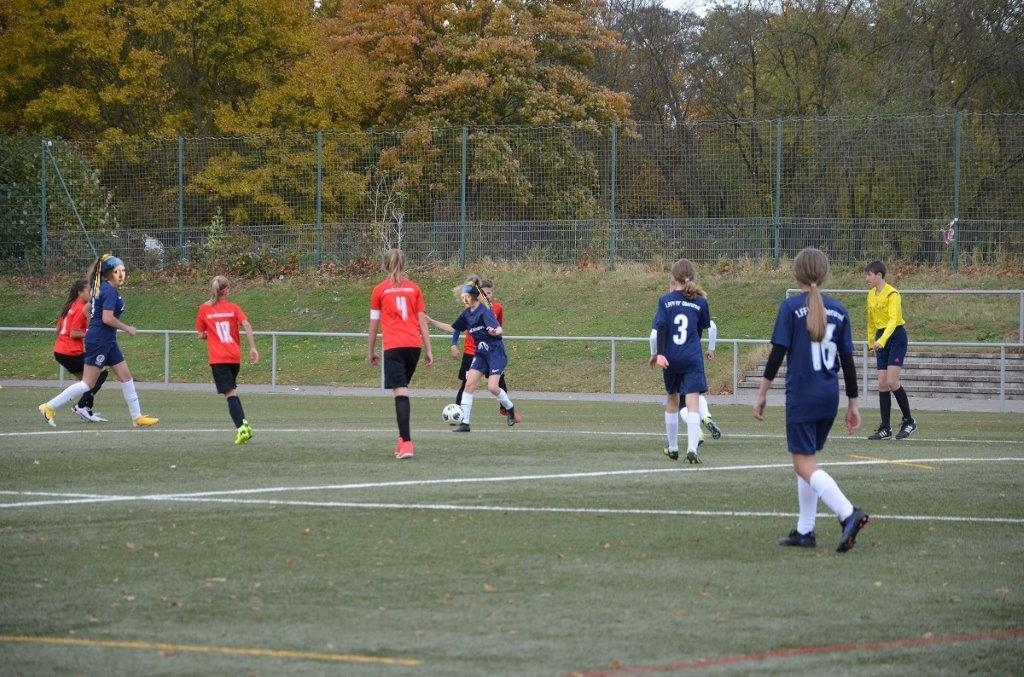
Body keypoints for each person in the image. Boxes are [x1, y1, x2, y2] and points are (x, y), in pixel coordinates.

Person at [753, 247, 869, 553]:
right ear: (826, 274)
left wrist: (762, 393)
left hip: (803, 396)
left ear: (797, 274)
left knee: (803, 464)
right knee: (806, 460)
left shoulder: (791, 308)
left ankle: (848, 513)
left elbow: (777, 354)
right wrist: (854, 403)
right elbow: (847, 361)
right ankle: (806, 530)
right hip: (828, 397)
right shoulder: (840, 310)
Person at [38, 254, 158, 427]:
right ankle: (49, 406)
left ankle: (137, 417)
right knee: (88, 383)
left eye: (123, 271)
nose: (122, 275)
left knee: (126, 376)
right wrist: (127, 328)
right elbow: (107, 318)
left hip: (107, 340)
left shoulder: (102, 288)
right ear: (109, 273)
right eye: (118, 271)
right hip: (100, 341)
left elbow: (88, 309)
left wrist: (94, 324)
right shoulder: (107, 290)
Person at [367, 248, 434, 459]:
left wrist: (370, 350)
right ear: (404, 265)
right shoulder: (414, 289)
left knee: (400, 391)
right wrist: (429, 348)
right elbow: (422, 320)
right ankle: (401, 439)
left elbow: (374, 324)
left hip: (394, 346)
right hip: (414, 346)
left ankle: (406, 443)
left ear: (384, 266)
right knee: (402, 388)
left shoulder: (379, 290)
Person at [429, 281, 519, 432]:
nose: (466, 299)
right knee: (469, 384)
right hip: (481, 354)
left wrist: (494, 331)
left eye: (468, 296)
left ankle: (510, 408)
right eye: (464, 297)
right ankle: (465, 423)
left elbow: (498, 328)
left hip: (495, 353)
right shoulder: (466, 314)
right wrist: (430, 321)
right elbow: (452, 328)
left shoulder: (485, 312)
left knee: (492, 387)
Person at [651, 258, 711, 464]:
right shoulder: (701, 302)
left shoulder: (665, 300)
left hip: (670, 357)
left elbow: (660, 327)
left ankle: (673, 446)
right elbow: (702, 329)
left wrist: (659, 354)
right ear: (692, 277)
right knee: (692, 404)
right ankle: (692, 449)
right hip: (692, 357)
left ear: (673, 278)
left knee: (672, 400)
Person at [196, 275, 259, 445]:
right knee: (231, 390)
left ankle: (241, 428)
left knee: (229, 392)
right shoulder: (233, 307)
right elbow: (246, 325)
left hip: (218, 358)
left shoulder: (204, 309)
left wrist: (210, 334)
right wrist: (253, 348)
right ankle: (244, 422)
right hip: (234, 357)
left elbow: (201, 334)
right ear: (227, 289)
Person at [865, 259, 917, 440]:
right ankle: (885, 428)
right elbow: (871, 322)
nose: (867, 278)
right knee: (882, 382)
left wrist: (883, 340)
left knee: (892, 380)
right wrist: (872, 342)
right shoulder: (871, 295)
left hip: (896, 337)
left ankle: (909, 421)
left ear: (879, 275)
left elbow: (894, 320)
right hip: (881, 337)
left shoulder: (892, 294)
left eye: (869, 274)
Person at [649, 320, 723, 441]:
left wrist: (654, 354)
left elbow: (653, 337)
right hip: (692, 357)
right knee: (694, 394)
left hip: (672, 358)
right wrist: (711, 348)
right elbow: (713, 327)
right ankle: (706, 417)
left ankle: (696, 432)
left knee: (680, 401)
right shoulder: (694, 306)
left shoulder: (666, 307)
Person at [52, 278, 109, 422]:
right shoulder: (79, 307)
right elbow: (74, 333)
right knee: (100, 375)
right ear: (80, 292)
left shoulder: (70, 305)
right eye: (88, 290)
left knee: (88, 383)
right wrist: (91, 334)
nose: (91, 292)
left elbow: (59, 328)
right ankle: (81, 407)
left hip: (62, 350)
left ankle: (85, 408)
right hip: (69, 352)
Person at [480, 278, 513, 417]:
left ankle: (505, 407)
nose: (488, 295)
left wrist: (495, 331)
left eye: (489, 293)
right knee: (467, 383)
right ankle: (461, 410)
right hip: (478, 350)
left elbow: (499, 325)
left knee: (499, 381)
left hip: (494, 350)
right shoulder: (473, 307)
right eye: (484, 293)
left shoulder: (497, 307)